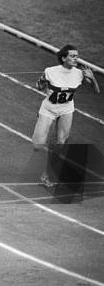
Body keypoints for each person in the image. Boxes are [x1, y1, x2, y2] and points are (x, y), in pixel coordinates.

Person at [31, 44, 100, 187]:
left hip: (67, 109)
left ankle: (47, 175)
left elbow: (96, 91)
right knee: (37, 145)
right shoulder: (50, 71)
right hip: (49, 108)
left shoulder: (79, 73)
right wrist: (43, 82)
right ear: (63, 58)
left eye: (77, 56)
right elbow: (38, 86)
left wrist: (92, 78)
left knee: (61, 143)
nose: (76, 58)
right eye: (73, 56)